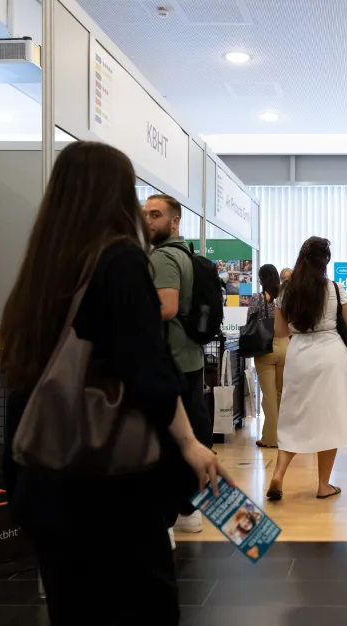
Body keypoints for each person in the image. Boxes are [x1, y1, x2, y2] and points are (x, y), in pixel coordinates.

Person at [0, 141, 231, 626]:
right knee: (142, 615)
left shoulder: (43, 265)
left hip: (43, 469)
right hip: (109, 476)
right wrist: (190, 443)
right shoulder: (119, 260)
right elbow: (146, 365)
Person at [265, 237, 347, 500]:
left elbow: (280, 331)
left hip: (299, 354)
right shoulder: (334, 288)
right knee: (329, 420)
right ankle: (323, 486)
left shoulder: (286, 290)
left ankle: (279, 474)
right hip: (331, 354)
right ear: (326, 261)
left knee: (293, 416)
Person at [145, 193, 216, 540]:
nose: (148, 221)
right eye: (145, 214)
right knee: (189, 437)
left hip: (169, 361)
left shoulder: (162, 257)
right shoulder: (188, 256)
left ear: (174, 221)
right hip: (190, 358)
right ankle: (188, 511)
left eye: (155, 215)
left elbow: (167, 307)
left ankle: (166, 521)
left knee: (164, 443)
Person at [248, 265, 288, 449]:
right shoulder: (285, 297)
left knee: (269, 395)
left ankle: (271, 438)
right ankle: (284, 437)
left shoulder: (257, 298)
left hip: (265, 348)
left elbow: (250, 321)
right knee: (281, 393)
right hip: (285, 345)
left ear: (262, 279)